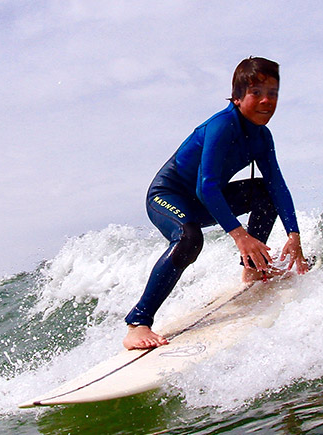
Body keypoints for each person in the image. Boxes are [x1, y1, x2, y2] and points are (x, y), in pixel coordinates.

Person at [123, 57, 309, 350]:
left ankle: (253, 269)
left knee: (265, 191)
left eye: (273, 93)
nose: (266, 101)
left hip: (206, 199)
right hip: (167, 197)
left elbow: (277, 185)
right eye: (257, 93)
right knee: (189, 239)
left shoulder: (262, 136)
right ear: (237, 97)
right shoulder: (222, 126)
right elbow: (205, 186)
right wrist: (240, 236)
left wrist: (293, 235)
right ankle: (138, 322)